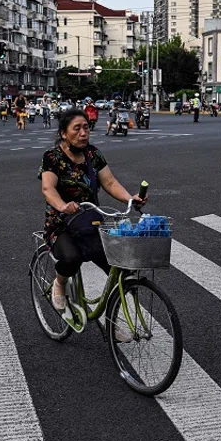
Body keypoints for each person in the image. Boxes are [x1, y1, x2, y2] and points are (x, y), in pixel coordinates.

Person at [40, 109, 147, 311]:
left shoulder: (93, 154)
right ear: (64, 133)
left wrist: (130, 199)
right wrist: (63, 206)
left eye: (86, 128)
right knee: (72, 258)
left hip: (90, 220)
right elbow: (48, 188)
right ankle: (60, 283)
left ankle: (112, 320)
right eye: (77, 128)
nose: (83, 133)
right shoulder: (53, 157)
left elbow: (109, 182)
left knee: (118, 265)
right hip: (61, 223)